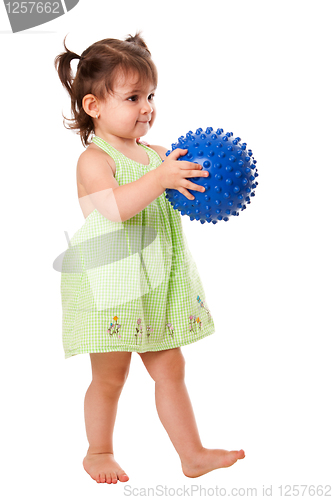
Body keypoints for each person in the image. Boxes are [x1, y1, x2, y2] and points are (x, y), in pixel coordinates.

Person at [54, 32, 245, 485]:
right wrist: (160, 178)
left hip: (157, 283)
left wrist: (201, 181)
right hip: (113, 287)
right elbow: (115, 209)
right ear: (93, 106)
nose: (147, 107)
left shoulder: (157, 154)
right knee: (111, 376)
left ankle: (192, 454)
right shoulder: (93, 160)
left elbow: (177, 191)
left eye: (151, 95)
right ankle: (98, 450)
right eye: (134, 97)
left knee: (171, 368)